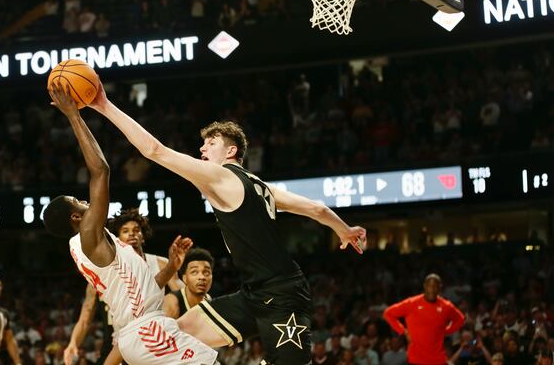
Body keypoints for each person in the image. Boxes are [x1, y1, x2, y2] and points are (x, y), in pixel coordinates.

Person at [87, 84, 366, 364]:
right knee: (177, 332)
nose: (202, 148)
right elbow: (316, 208)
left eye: (211, 143)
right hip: (254, 293)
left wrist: (103, 105)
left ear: (231, 151)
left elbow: (154, 150)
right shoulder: (260, 186)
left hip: (283, 297)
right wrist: (345, 229)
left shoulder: (220, 177)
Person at [43, 84, 218, 365]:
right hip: (147, 330)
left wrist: (172, 268)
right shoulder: (87, 236)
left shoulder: (94, 244)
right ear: (75, 218)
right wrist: (73, 116)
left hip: (138, 332)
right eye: (78, 200)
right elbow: (100, 170)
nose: (85, 201)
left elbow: (140, 291)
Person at [64, 209, 182, 365]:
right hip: (118, 339)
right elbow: (85, 319)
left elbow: (181, 295)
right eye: (125, 231)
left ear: (143, 236)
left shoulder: (160, 263)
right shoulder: (104, 271)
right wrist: (73, 343)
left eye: (136, 230)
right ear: (117, 239)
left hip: (156, 334)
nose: (132, 234)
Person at [384, 274, 465, 365]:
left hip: (438, 360)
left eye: (435, 286)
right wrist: (403, 331)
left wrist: (447, 330)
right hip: (415, 360)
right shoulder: (412, 303)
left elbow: (460, 319)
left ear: (440, 287)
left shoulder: (446, 306)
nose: (432, 289)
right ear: (425, 286)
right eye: (430, 285)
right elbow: (388, 313)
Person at [163, 248, 214, 319]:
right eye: (194, 272)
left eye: (206, 272)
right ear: (185, 278)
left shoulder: (208, 299)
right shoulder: (172, 302)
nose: (202, 277)